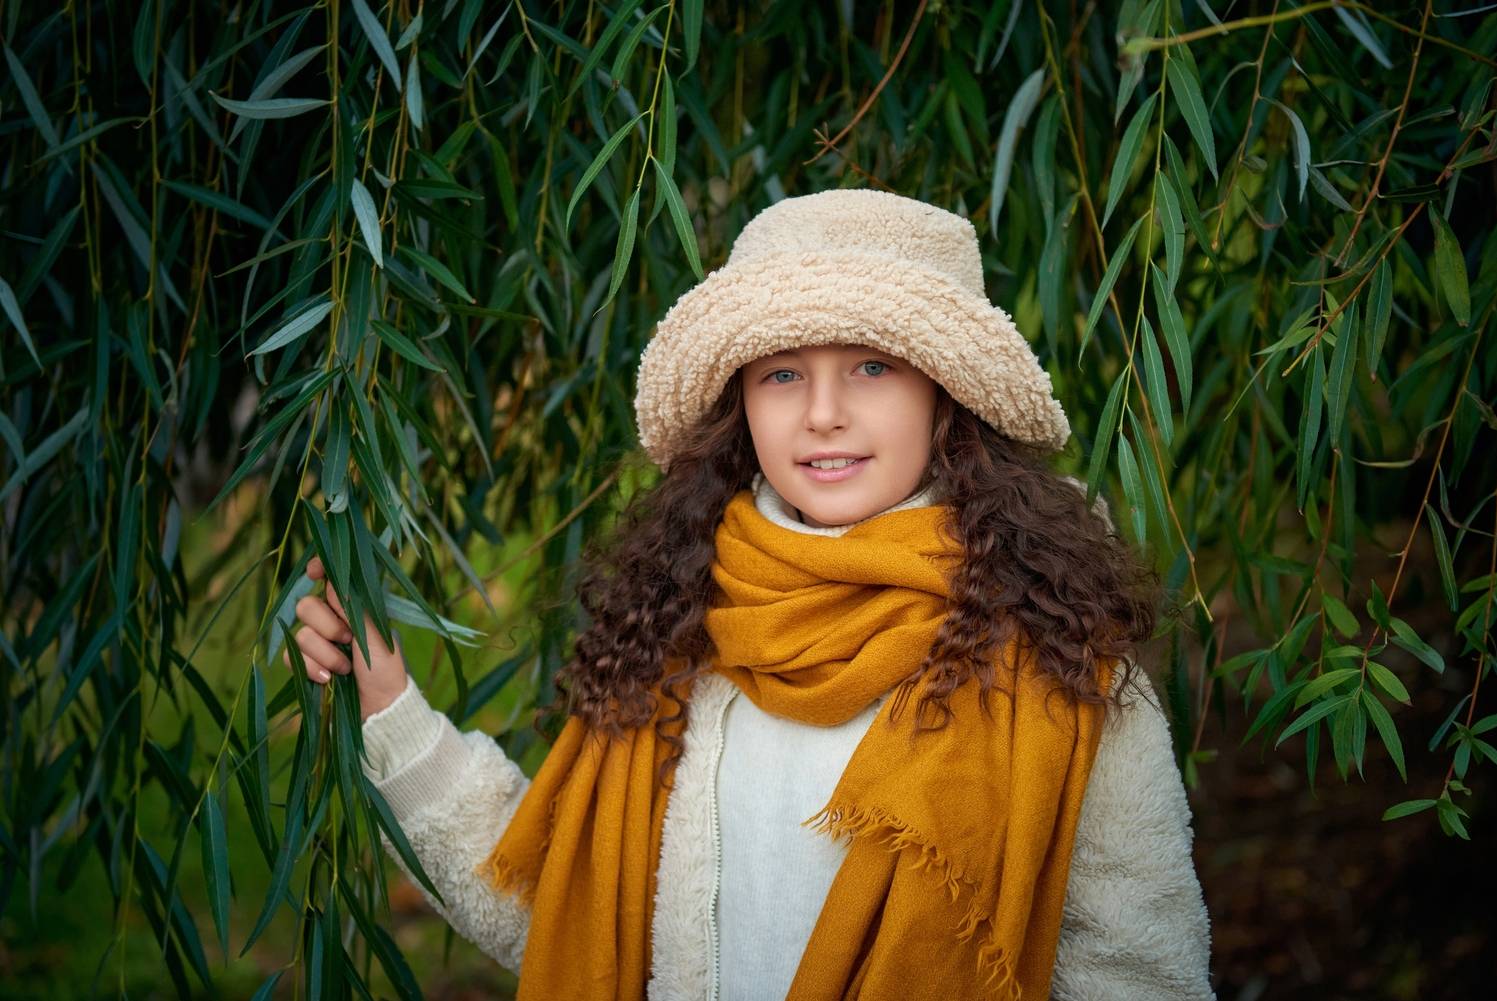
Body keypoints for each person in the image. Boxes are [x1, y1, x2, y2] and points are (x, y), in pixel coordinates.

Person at [287, 188, 1215, 1000]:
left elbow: (1138, 975)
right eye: (782, 374)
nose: (823, 413)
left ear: (946, 396)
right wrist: (390, 707)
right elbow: (564, 915)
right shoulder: (681, 629)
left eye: (872, 365)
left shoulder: (1062, 664)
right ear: (744, 404)